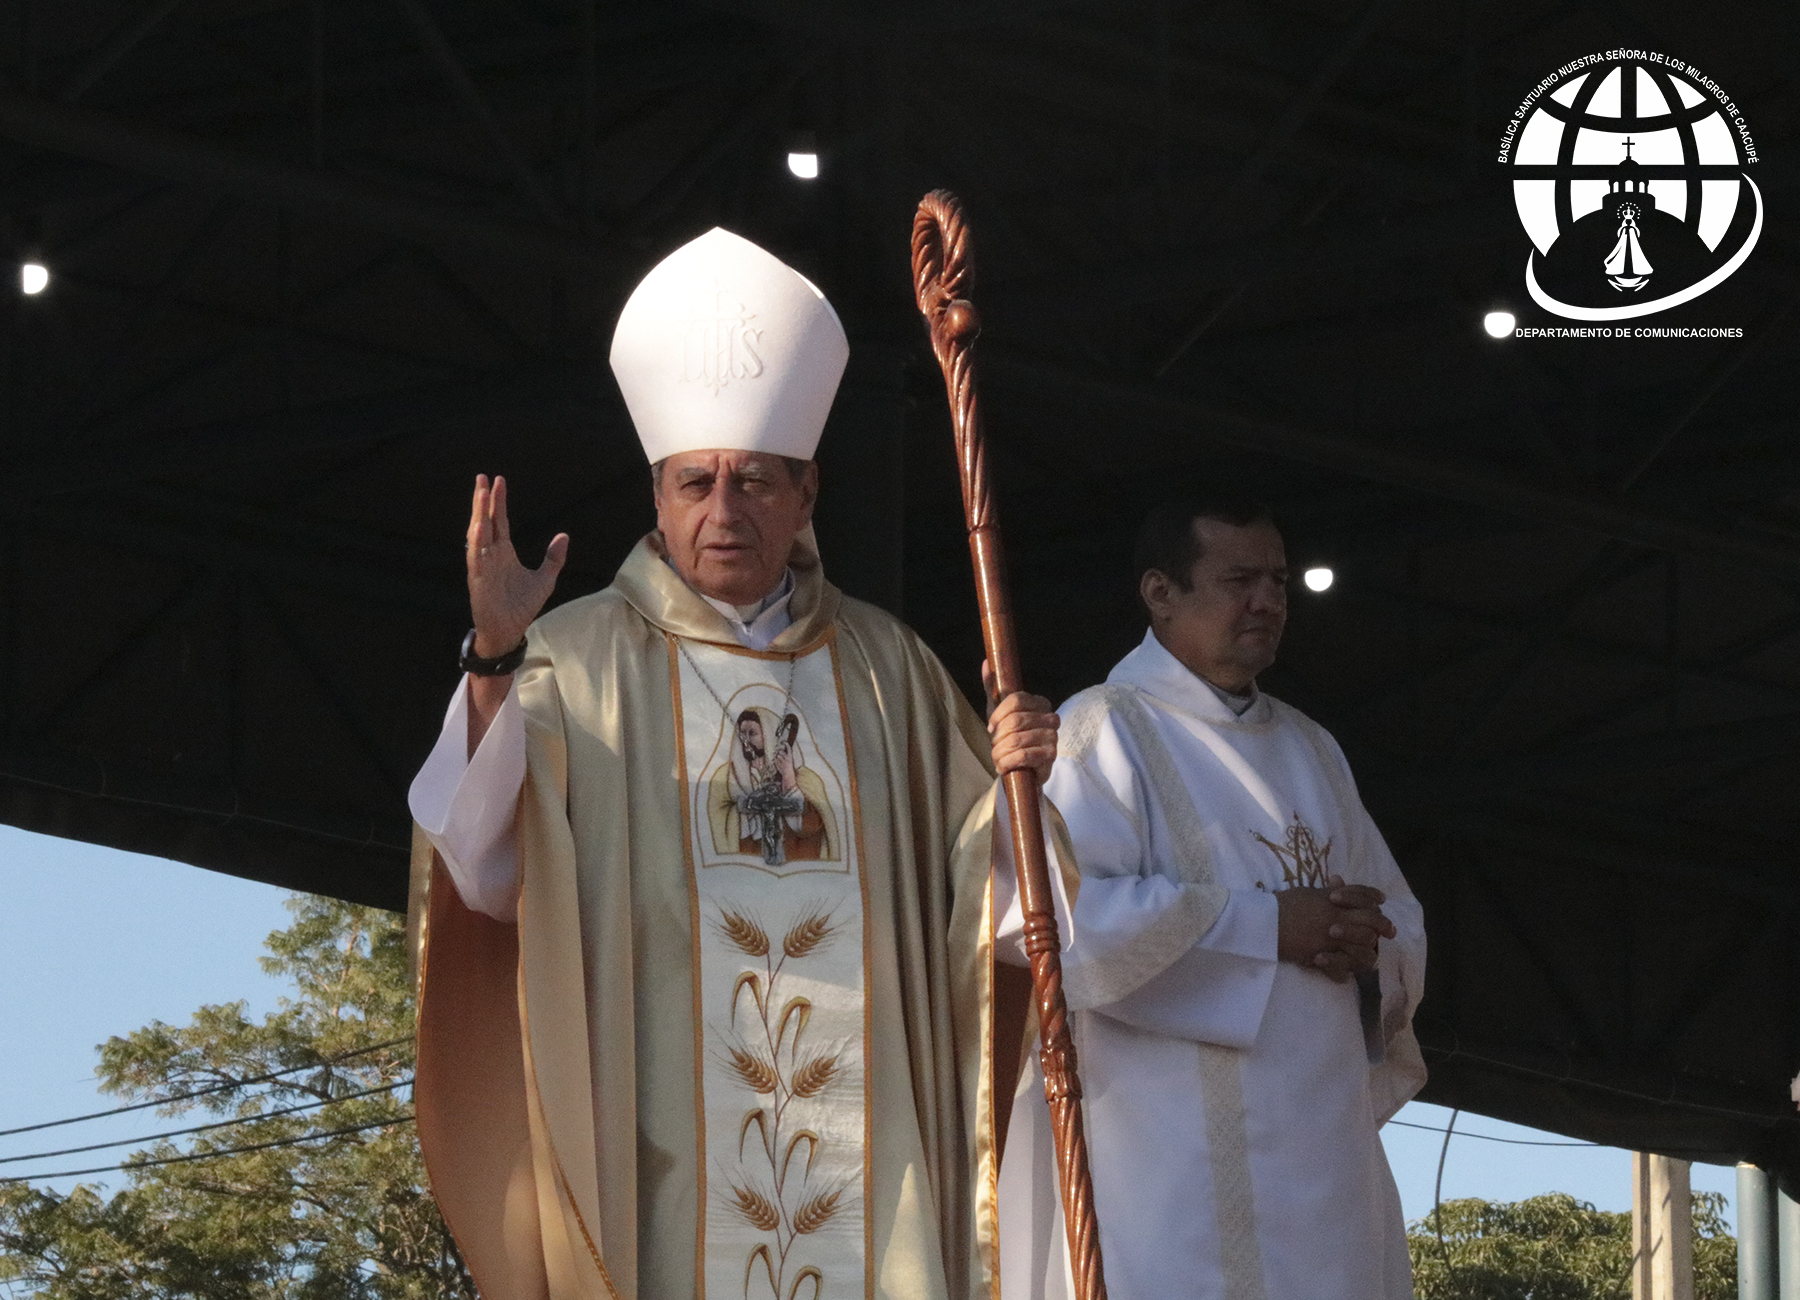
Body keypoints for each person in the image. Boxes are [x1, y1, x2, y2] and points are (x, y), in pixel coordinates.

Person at [406, 228, 1058, 1300]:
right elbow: (483, 869)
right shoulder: (574, 659)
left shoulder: (890, 672)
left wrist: (1029, 791)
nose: (723, 511)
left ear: (807, 493)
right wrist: (491, 662)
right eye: (695, 482)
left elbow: (1003, 908)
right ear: (656, 495)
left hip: (871, 1154)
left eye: (755, 481)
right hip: (659, 1145)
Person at [995, 496, 1427, 1300]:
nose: (1266, 601)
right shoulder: (1101, 733)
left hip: (1323, 1164)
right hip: (1166, 1169)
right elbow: (1059, 924)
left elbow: (1402, 920)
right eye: (1238, 579)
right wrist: (1272, 927)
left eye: (1277, 581)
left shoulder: (1312, 748)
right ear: (1161, 592)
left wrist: (1368, 939)